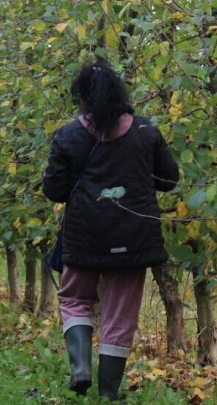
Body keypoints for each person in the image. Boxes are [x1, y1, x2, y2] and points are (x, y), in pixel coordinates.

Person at [42, 60, 179, 399]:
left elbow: (54, 190)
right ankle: (108, 394)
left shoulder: (67, 136)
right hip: (133, 238)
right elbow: (169, 180)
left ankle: (80, 367)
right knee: (120, 315)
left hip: (84, 235)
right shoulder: (146, 131)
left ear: (83, 100)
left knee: (74, 299)